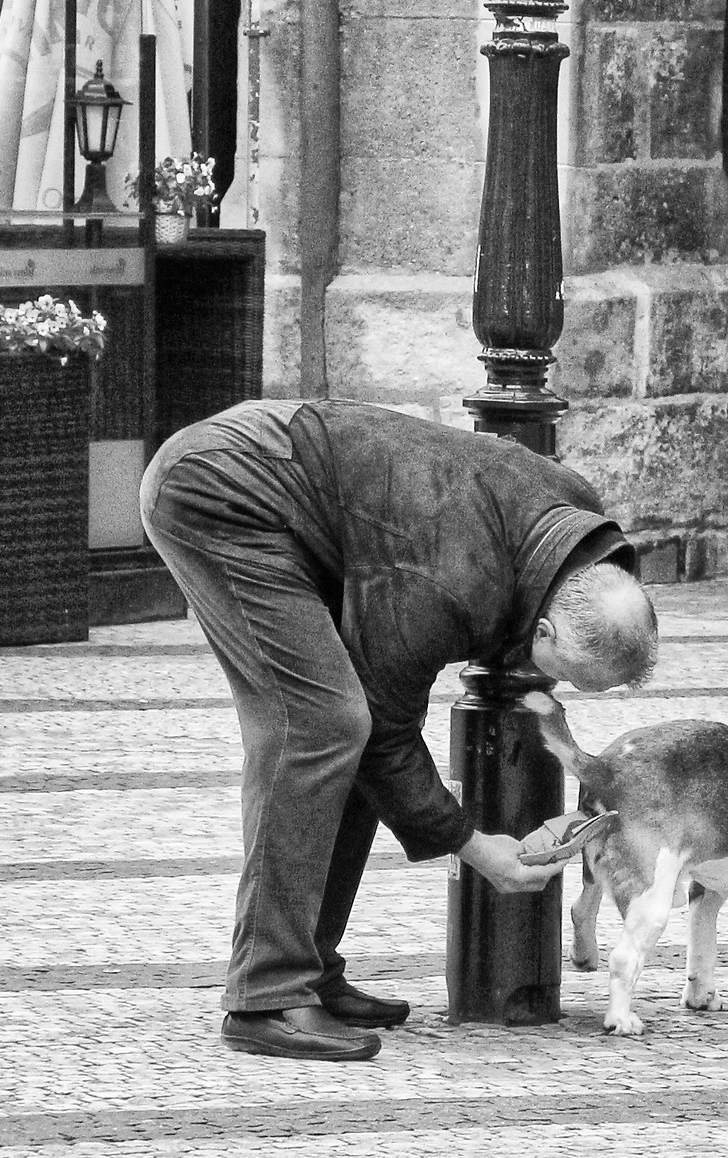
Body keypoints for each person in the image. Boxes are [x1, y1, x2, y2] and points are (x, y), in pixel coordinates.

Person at [141, 399, 660, 1062]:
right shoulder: (449, 582)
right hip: (220, 491)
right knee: (326, 724)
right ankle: (265, 993)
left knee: (350, 726)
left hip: (301, 496)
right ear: (548, 629)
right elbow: (386, 733)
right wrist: (477, 847)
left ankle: (308, 968)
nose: (547, 687)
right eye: (560, 672)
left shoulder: (575, 529)